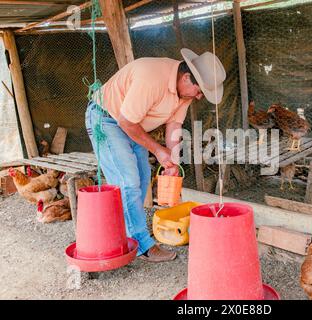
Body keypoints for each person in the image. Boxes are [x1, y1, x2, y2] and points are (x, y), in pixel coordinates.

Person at [85, 48, 226, 262]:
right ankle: (142, 245)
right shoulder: (152, 78)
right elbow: (125, 121)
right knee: (128, 182)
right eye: (199, 91)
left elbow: (174, 128)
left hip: (133, 123)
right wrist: (158, 150)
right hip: (107, 119)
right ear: (187, 77)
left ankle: (127, 235)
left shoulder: (184, 92)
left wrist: (173, 164)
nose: (199, 97)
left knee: (142, 180)